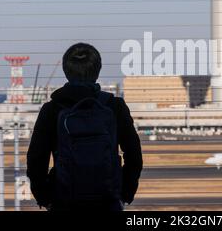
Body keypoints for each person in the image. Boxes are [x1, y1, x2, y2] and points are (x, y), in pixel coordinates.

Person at [27, 42, 143, 211]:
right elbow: (134, 156)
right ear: (98, 70)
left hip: (64, 201)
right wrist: (124, 194)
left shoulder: (51, 110)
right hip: (107, 201)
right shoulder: (114, 106)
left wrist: (46, 199)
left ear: (66, 72)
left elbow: (36, 160)